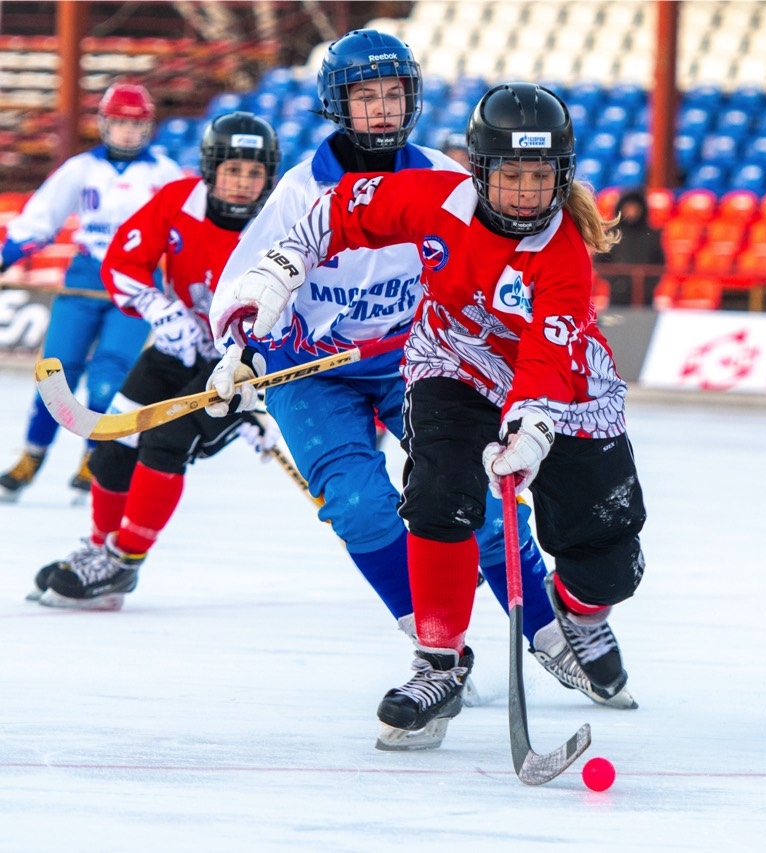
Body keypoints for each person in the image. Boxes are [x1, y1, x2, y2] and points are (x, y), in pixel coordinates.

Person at [208, 38, 634, 749]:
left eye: (392, 94)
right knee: (360, 503)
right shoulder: (301, 191)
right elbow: (257, 275)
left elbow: (545, 327)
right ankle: (440, 655)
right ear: (337, 104)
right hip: (313, 368)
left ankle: (547, 628)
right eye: (365, 96)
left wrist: (528, 415)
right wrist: (241, 344)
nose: (381, 110)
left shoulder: (454, 176)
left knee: (482, 505)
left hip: (413, 354)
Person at [29, 112, 281, 608]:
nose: (243, 183)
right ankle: (100, 549)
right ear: (211, 168)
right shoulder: (177, 198)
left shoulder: (279, 224)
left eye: (254, 174)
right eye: (233, 170)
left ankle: (125, 563)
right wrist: (158, 309)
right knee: (113, 440)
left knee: (164, 441)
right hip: (176, 346)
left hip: (241, 367)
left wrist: (261, 394)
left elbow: (302, 307)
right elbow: (121, 263)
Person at [0, 82, 184, 502]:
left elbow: (184, 230)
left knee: (109, 376)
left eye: (135, 124)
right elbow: (40, 218)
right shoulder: (80, 169)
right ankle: (31, 456)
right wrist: (7, 256)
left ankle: (93, 456)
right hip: (87, 274)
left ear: (148, 127)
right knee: (56, 371)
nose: (127, 133)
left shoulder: (165, 174)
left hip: (136, 281)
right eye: (119, 123)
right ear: (104, 124)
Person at [598, 187, 664, 306]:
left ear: (641, 209)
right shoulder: (612, 234)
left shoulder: (652, 235)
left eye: (635, 207)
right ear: (621, 209)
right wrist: (615, 282)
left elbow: (659, 263)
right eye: (628, 207)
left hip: (645, 296)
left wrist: (647, 285)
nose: (631, 211)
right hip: (617, 293)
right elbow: (600, 261)